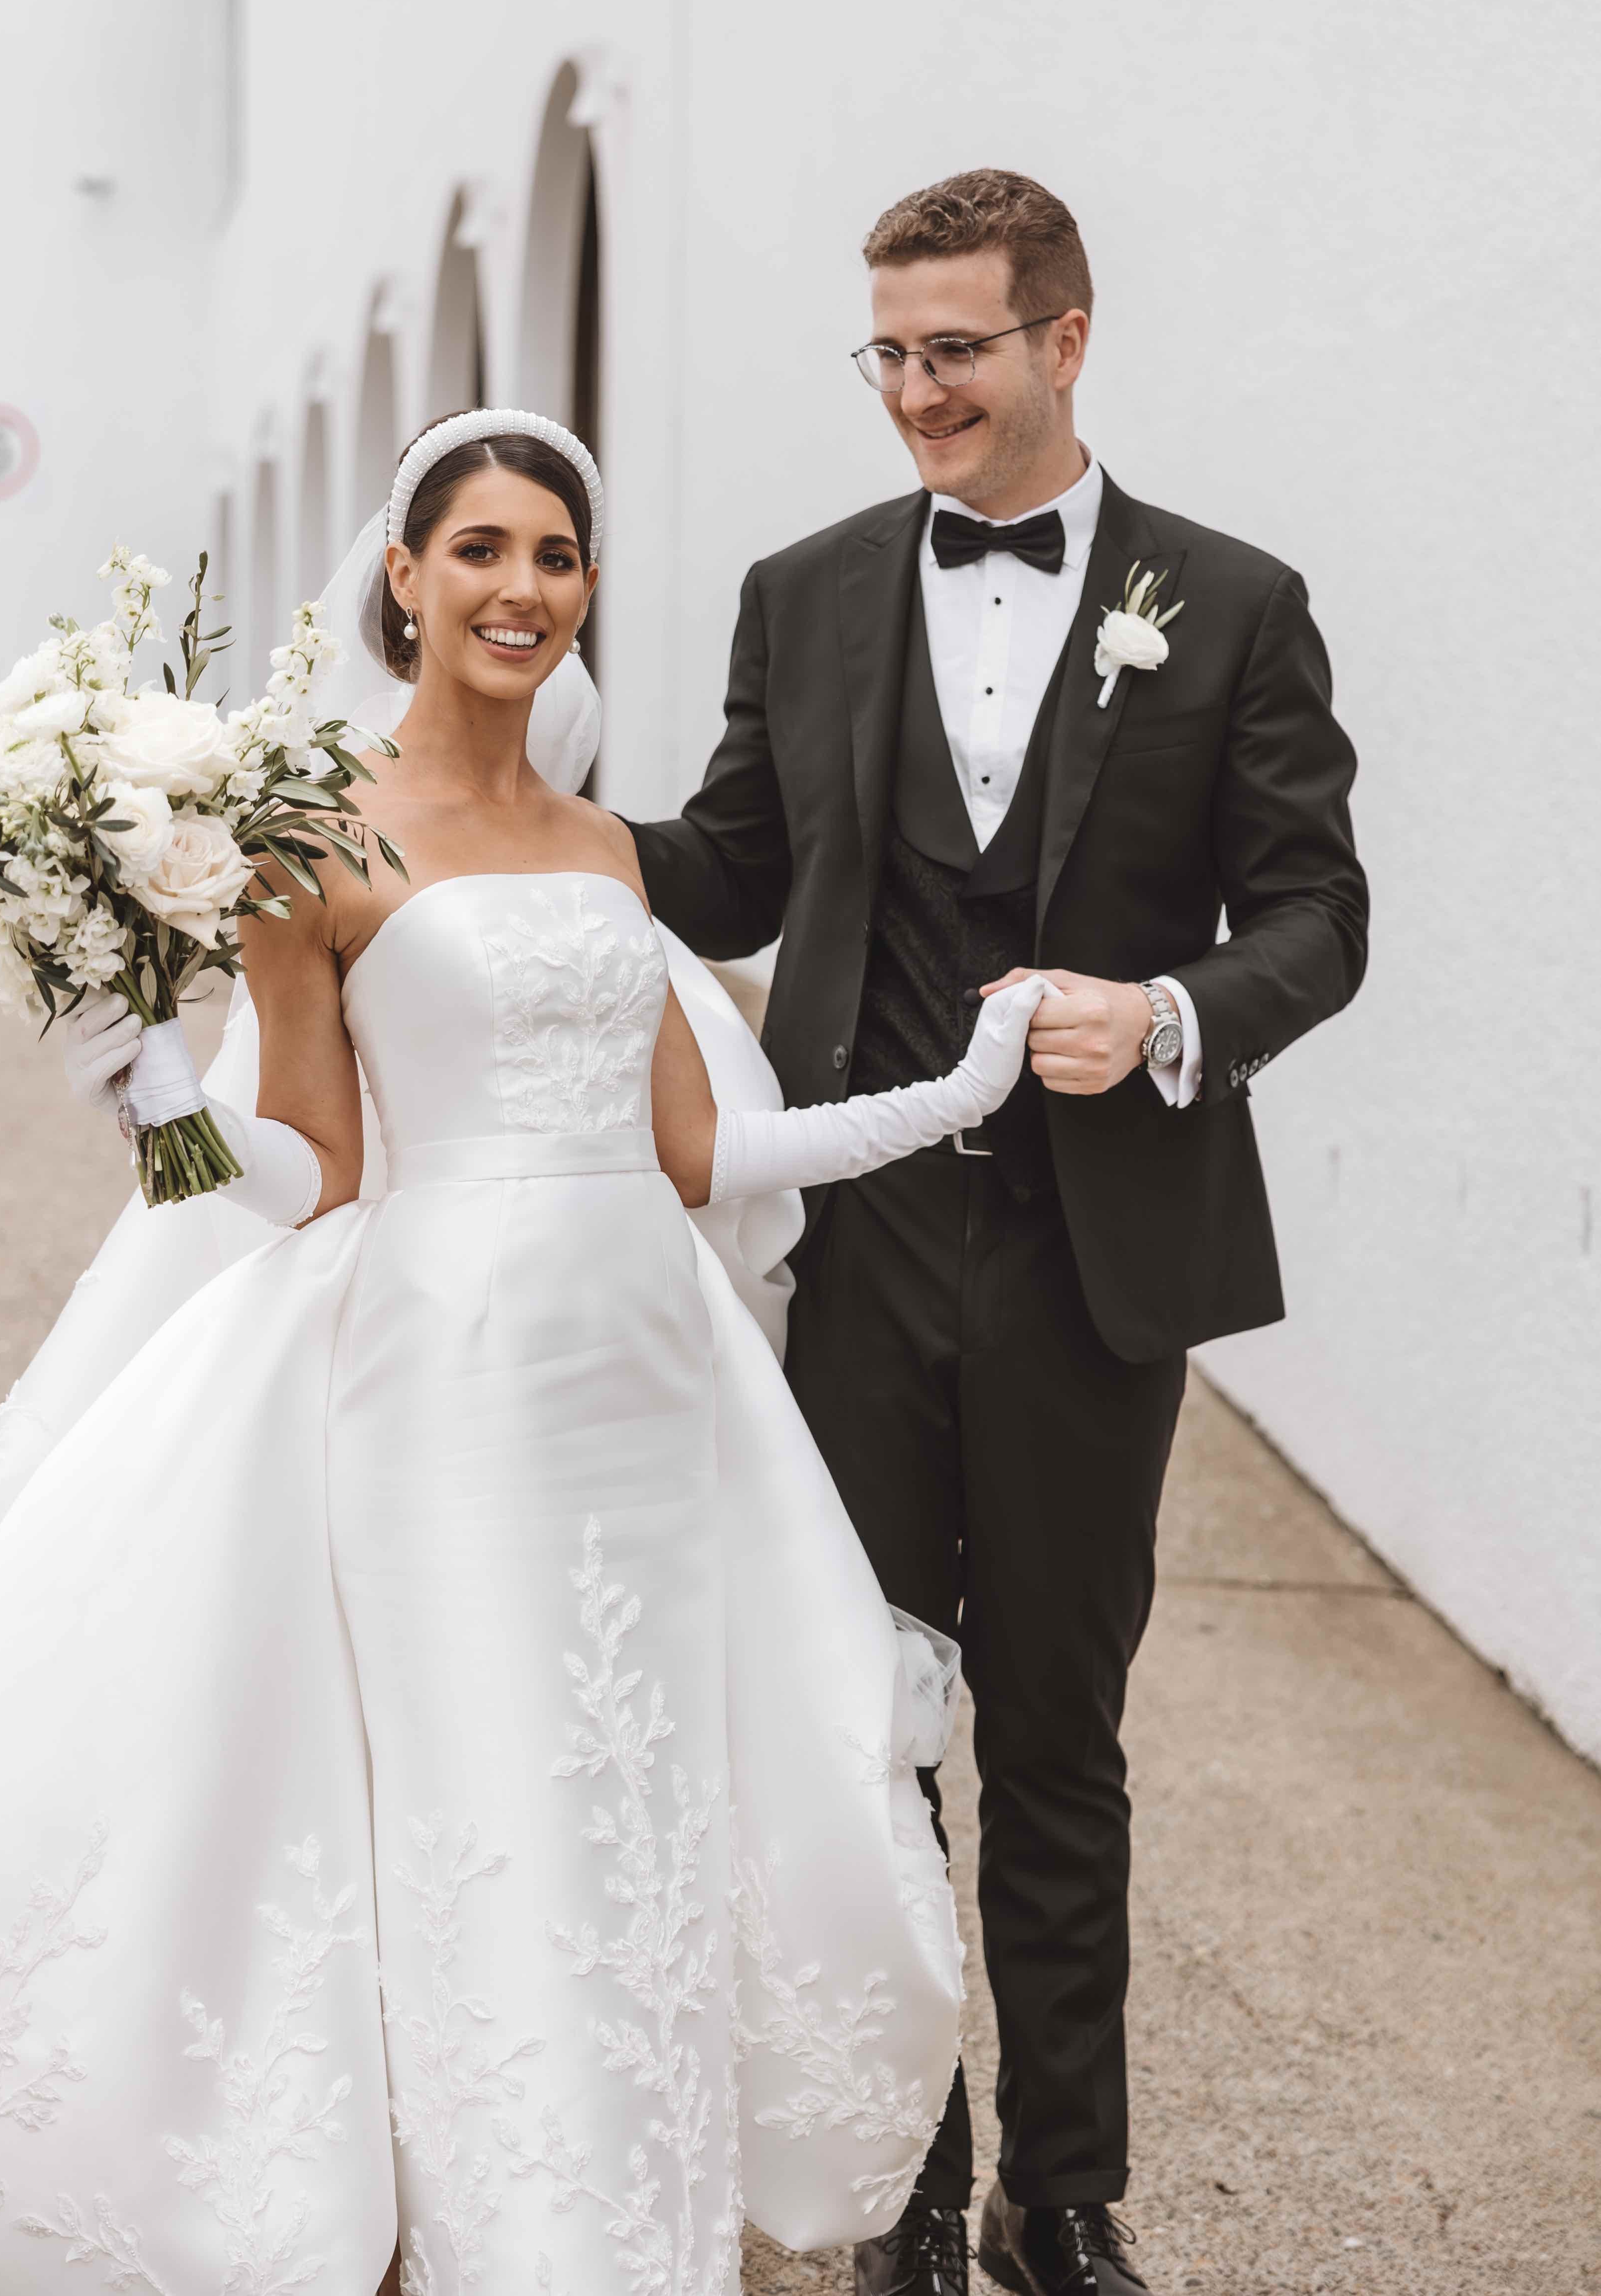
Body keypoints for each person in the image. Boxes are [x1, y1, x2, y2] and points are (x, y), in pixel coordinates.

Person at [0, 409, 1057, 2296]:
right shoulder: (302, 835)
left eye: (557, 557)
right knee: (481, 1781)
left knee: (631, 1789)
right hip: (444, 1375)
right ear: (400, 579)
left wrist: (960, 1089)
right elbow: (311, 1172)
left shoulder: (598, 842)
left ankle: (627, 2222)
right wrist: (156, 1099)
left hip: (645, 1378)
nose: (522, 589)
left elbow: (696, 1154)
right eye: (481, 550)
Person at [628, 174, 1369, 2296]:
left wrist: (1172, 1019)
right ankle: (896, 2188)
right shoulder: (808, 590)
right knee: (865, 1726)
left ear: (1066, 339)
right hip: (854, 1241)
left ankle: (1059, 2197)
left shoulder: (1227, 602)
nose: (916, 390)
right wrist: (484, 819)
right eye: (887, 348)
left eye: (955, 346)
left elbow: (1318, 915)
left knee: (1054, 1720)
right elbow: (736, 863)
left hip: (1090, 1259)